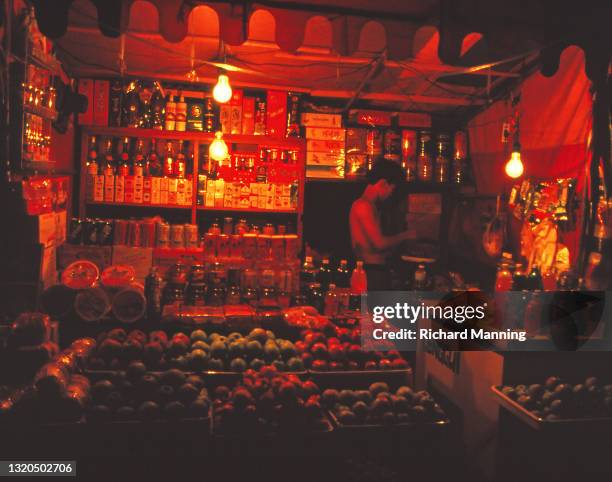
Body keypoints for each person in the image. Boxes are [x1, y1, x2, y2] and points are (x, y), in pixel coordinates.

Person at [349, 159, 415, 290]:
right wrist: (407, 235)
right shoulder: (363, 206)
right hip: (371, 273)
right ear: (383, 183)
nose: (391, 194)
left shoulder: (372, 206)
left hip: (377, 271)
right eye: (392, 189)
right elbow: (379, 243)